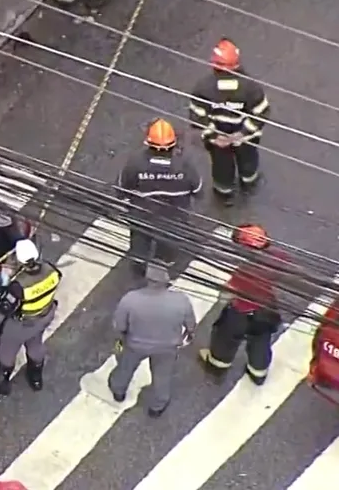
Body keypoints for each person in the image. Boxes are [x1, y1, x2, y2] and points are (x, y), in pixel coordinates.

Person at [199, 224, 287, 385]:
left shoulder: (242, 267)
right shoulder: (279, 257)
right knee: (260, 342)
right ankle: (258, 373)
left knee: (224, 339)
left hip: (239, 313)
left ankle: (218, 365)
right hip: (266, 312)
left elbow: (226, 295)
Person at [108, 262, 196, 417]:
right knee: (162, 376)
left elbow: (119, 325)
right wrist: (188, 334)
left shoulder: (131, 299)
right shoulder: (181, 300)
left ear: (147, 279)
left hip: (135, 345)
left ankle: (118, 391)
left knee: (125, 368)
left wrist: (120, 340)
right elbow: (190, 324)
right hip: (166, 348)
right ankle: (157, 406)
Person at [189, 38, 271, 205]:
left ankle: (224, 192)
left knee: (221, 166)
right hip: (245, 138)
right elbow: (260, 114)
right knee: (248, 160)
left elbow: (198, 116)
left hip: (217, 140)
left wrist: (216, 137)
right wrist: (240, 135)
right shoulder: (251, 87)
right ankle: (249, 184)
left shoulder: (203, 87)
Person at [117, 118, 203, 276]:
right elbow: (198, 190)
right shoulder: (184, 165)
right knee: (168, 245)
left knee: (139, 243)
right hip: (174, 218)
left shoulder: (135, 162)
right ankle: (163, 264)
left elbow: (122, 187)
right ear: (173, 144)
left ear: (148, 143)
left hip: (141, 215)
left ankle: (139, 266)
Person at [0, 239, 62, 395]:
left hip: (23, 324)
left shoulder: (18, 286)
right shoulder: (52, 271)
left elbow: (4, 307)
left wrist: (3, 283)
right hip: (45, 315)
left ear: (20, 261)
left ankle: (2, 383)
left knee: (7, 352)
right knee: (35, 344)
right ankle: (36, 378)